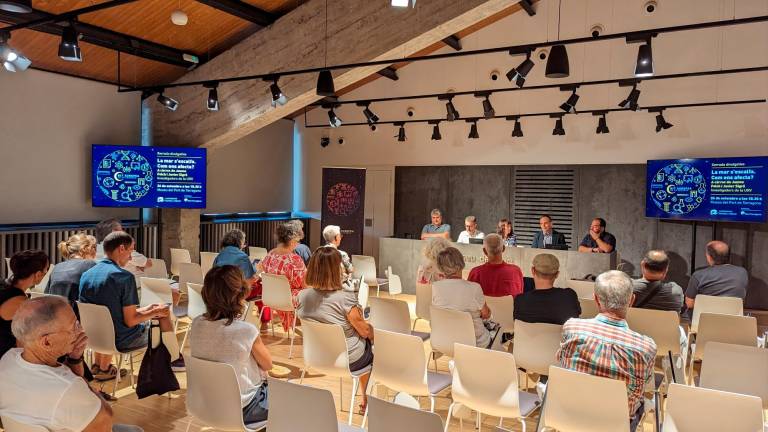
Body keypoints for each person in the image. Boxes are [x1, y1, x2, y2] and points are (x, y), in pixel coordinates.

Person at [0, 296, 143, 432]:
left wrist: (74, 359)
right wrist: (88, 388)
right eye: (73, 326)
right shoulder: (67, 389)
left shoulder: (7, 359)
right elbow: (105, 421)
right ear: (47, 342)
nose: (80, 330)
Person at [557, 271, 656, 432]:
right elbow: (645, 384)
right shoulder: (645, 346)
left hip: (571, 415)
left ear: (596, 299)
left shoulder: (572, 327)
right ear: (631, 301)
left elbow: (561, 361)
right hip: (616, 425)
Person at [79, 231, 181, 379]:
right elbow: (131, 320)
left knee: (156, 311)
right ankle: (175, 359)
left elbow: (111, 311)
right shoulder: (124, 277)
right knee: (163, 314)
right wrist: (155, 312)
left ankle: (99, 366)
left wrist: (148, 309)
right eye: (130, 250)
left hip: (94, 338)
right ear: (121, 249)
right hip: (122, 340)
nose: (131, 256)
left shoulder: (87, 274)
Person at [190, 265, 272, 424]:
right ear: (240, 295)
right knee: (291, 396)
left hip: (204, 404)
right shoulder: (246, 331)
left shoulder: (196, 323)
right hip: (243, 409)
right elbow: (268, 364)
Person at [297, 247, 373, 411]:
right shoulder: (344, 298)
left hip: (314, 357)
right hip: (347, 360)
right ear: (336, 269)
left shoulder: (302, 296)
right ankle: (367, 399)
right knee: (372, 346)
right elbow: (365, 331)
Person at [432, 247, 495, 348]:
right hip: (475, 343)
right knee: (495, 329)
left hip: (445, 341)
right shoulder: (474, 288)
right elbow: (486, 314)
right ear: (461, 263)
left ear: (441, 267)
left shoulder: (436, 287)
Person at [257, 221, 307, 332]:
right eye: (298, 241)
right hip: (288, 300)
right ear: (293, 240)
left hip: (270, 298)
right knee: (313, 294)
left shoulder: (270, 254)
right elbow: (304, 284)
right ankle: (313, 332)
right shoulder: (294, 259)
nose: (297, 244)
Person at [0, 250, 50, 358]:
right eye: (46, 270)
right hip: (5, 358)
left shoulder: (4, 286)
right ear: (38, 274)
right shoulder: (21, 303)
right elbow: (23, 343)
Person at [513, 253, 580, 325]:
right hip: (559, 336)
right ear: (557, 274)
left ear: (532, 270)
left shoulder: (520, 300)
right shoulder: (570, 296)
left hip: (527, 336)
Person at [685, 240, 748, 310]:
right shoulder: (742, 272)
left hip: (704, 319)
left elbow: (689, 303)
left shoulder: (698, 275)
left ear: (709, 257)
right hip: (732, 319)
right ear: (728, 256)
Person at [46, 233, 98, 317]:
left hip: (55, 318)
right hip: (78, 321)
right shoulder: (90, 264)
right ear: (86, 248)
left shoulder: (57, 267)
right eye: (94, 248)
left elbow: (46, 296)